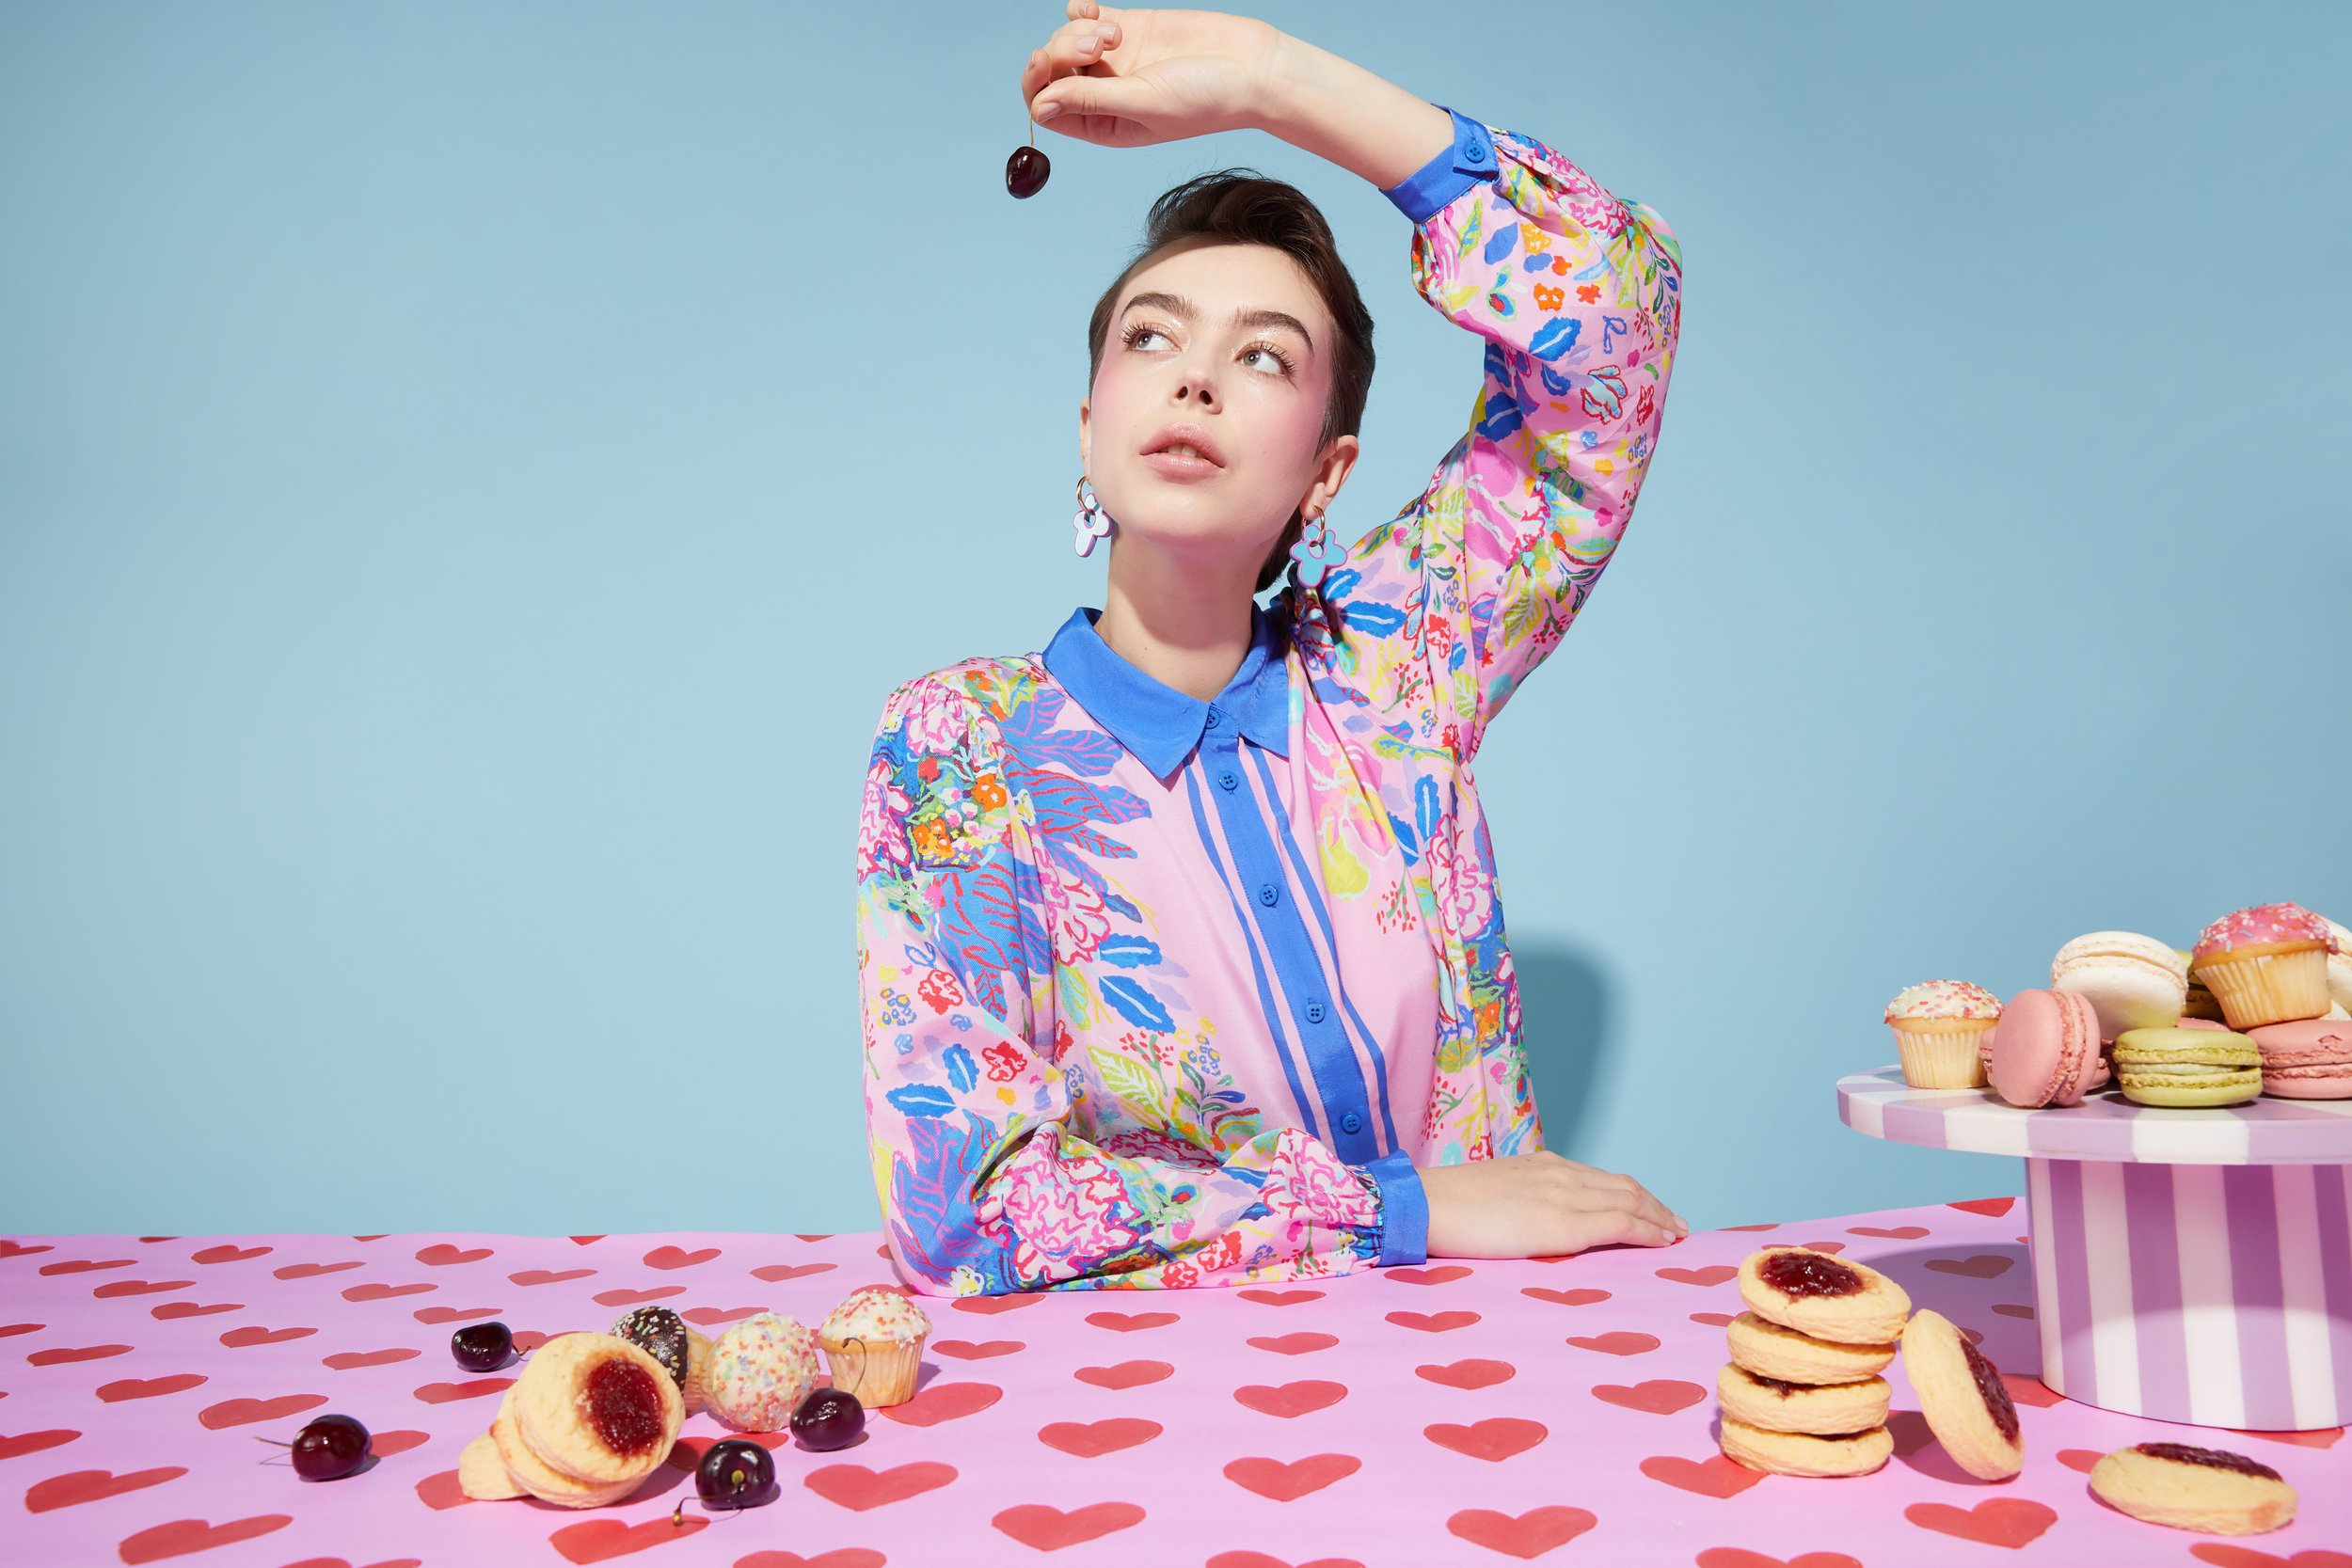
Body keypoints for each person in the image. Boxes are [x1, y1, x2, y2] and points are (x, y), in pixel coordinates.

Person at [855, 1, 1685, 1295]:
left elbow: (1617, 306)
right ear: (1089, 424)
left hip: (1501, 1365)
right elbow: (968, 1212)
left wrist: (1268, 78)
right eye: (1151, 337)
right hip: (1153, 1404)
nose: (1194, 379)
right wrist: (1396, 1211)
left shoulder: (1397, 661)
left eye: (1262, 357)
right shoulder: (964, 752)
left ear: (1326, 471)